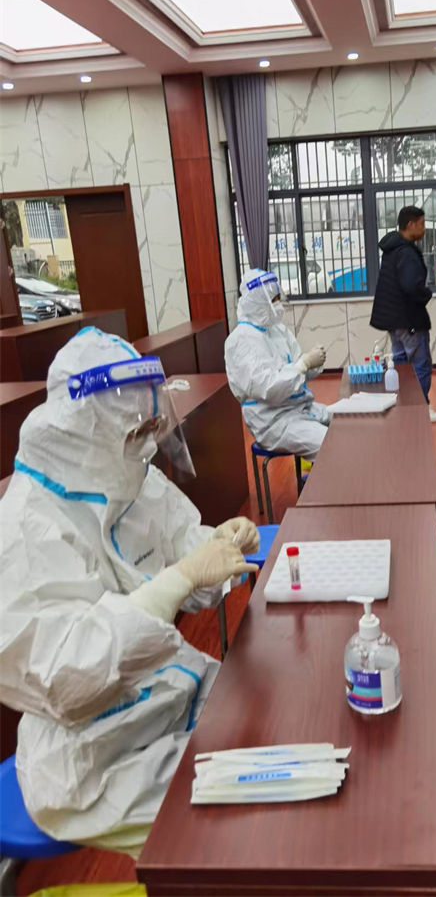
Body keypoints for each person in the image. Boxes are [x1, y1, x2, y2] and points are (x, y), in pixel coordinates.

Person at [0, 327, 260, 856]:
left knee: (271, 735)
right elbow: (67, 679)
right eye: (135, 430)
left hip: (169, 688)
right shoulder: (24, 529)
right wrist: (179, 577)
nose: (146, 443)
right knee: (233, 828)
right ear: (85, 429)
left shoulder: (130, 476)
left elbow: (186, 558)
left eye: (152, 428)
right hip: (90, 758)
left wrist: (219, 546)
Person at [225, 269, 330, 460]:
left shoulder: (277, 330)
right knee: (332, 445)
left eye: (278, 298)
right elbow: (268, 388)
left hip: (299, 408)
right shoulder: (240, 341)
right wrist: (304, 364)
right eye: (273, 300)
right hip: (273, 422)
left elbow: (299, 371)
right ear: (258, 302)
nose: (279, 305)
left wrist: (312, 363)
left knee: (347, 423)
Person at [370, 205, 436, 422]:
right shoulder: (406, 252)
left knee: (402, 365)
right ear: (410, 224)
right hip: (409, 319)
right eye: (422, 224)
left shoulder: (392, 249)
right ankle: (421, 408)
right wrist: (427, 294)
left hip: (394, 320)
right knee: (420, 365)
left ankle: (406, 407)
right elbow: (411, 286)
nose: (424, 229)